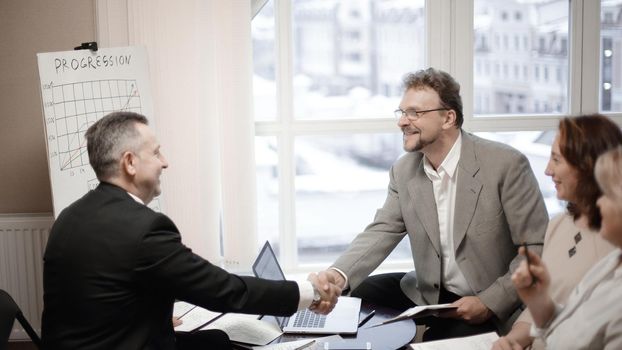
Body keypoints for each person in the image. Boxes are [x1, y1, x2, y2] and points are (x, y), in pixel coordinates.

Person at [41, 112, 341, 350]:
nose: (165, 162)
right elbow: (224, 291)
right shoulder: (143, 228)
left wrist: (150, 316)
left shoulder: (71, 216)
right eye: (156, 153)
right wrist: (310, 292)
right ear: (130, 163)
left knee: (218, 341)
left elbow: (90, 297)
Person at [318, 67, 549, 341]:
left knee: (437, 341)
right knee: (357, 297)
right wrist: (337, 275)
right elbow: (382, 230)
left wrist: (489, 302)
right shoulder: (404, 171)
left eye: (414, 112)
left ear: (448, 118)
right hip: (429, 291)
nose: (402, 122)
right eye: (402, 112)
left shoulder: (505, 165)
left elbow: (537, 248)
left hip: (487, 297)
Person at [492, 115, 621, 350]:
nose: (548, 170)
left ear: (587, 166)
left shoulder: (613, 244)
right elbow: (548, 317)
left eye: (556, 159)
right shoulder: (559, 224)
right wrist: (512, 340)